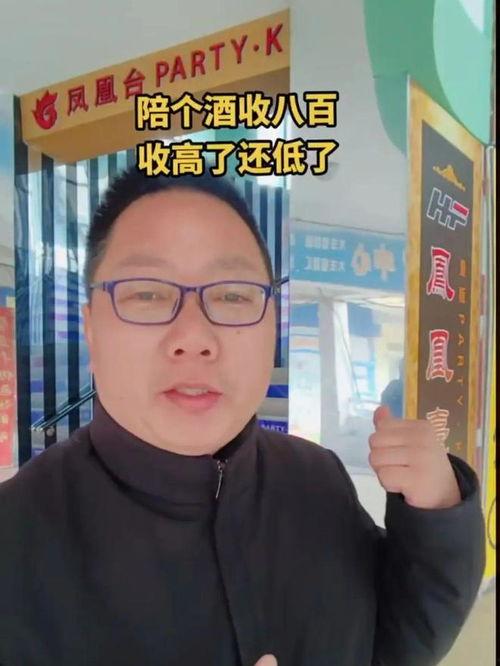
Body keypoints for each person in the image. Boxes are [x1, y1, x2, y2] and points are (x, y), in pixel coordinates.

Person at [0, 168, 485, 666]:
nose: (194, 337)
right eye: (146, 293)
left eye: (232, 295)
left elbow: (397, 640)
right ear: (91, 328)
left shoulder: (316, 477)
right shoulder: (15, 539)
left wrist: (438, 512)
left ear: (272, 323)